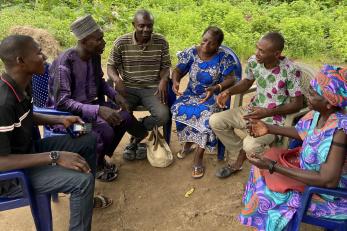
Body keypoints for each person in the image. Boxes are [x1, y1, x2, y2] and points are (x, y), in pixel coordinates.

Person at [0, 35, 96, 230]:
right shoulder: (3, 103)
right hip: (13, 176)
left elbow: (27, 116)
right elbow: (2, 162)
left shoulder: (23, 84)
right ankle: (81, 193)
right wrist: (55, 156)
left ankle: (83, 200)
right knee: (83, 182)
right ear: (21, 61)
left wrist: (59, 119)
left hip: (30, 151)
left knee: (89, 137)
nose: (44, 56)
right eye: (38, 53)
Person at [239, 64, 347, 231]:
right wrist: (268, 128)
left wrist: (273, 167)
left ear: (329, 103)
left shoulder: (340, 130)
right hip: (307, 174)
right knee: (259, 170)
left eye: (312, 93)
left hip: (327, 196)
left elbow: (328, 181)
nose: (307, 96)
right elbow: (303, 131)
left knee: (267, 195)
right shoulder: (318, 113)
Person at [47, 15, 148, 181]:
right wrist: (98, 109)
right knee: (102, 131)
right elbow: (62, 103)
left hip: (89, 111)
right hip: (67, 123)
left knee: (124, 117)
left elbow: (100, 82)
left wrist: (115, 96)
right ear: (85, 41)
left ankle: (98, 159)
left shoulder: (94, 56)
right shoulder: (65, 63)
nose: (104, 42)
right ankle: (94, 166)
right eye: (99, 39)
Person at [209, 32, 304, 178]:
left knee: (251, 145)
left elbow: (297, 104)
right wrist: (228, 92)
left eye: (262, 51)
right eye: (257, 48)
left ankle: (256, 163)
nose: (256, 53)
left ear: (277, 54)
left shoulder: (290, 70)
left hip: (274, 119)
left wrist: (267, 112)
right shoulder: (254, 61)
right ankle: (239, 153)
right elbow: (246, 82)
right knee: (215, 120)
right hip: (252, 110)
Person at [171, 26, 238, 178]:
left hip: (212, 96)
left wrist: (216, 87)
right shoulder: (191, 53)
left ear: (218, 46)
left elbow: (232, 79)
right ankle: (188, 142)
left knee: (205, 116)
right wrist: (176, 81)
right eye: (204, 40)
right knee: (178, 108)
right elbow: (178, 70)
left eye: (212, 43)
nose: (206, 45)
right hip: (190, 94)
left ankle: (198, 156)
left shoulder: (223, 57)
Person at [107, 9, 171, 160]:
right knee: (120, 114)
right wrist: (117, 80)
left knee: (163, 115)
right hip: (128, 88)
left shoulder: (161, 42)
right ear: (133, 25)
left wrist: (163, 80)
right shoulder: (121, 42)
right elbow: (110, 66)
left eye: (150, 26)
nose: (146, 29)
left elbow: (166, 67)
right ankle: (140, 136)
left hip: (152, 88)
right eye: (142, 26)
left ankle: (137, 135)